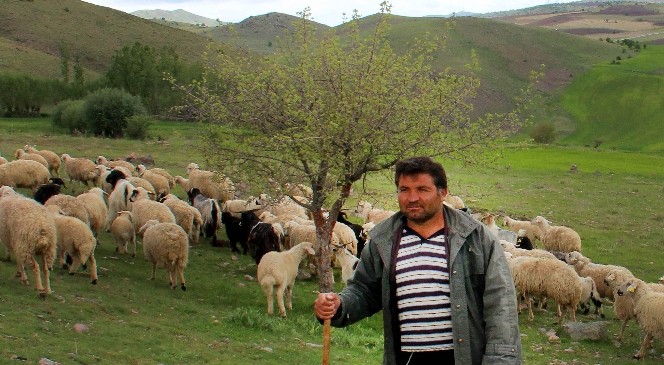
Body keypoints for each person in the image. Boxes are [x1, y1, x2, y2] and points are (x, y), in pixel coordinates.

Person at [314, 156, 521, 365]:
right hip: (408, 359)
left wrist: (501, 359)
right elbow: (365, 290)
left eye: (422, 189)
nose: (412, 198)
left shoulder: (476, 238)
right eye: (404, 190)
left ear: (443, 193)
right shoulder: (382, 240)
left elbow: (500, 304)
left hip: (463, 357)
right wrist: (340, 305)